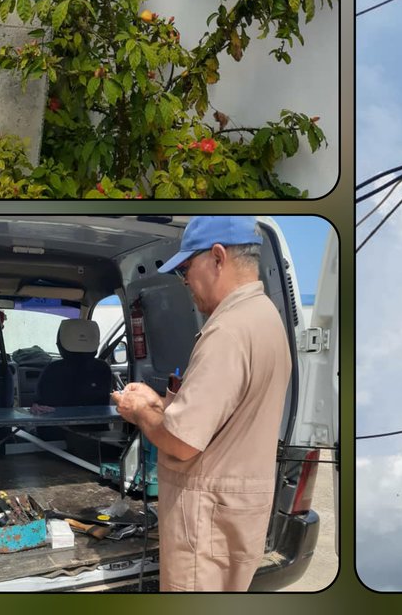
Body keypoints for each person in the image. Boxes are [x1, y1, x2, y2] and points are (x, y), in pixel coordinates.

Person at [111, 216, 290, 591]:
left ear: (219, 257)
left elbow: (182, 441)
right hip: (235, 518)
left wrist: (139, 411)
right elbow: (223, 416)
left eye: (188, 269)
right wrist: (159, 401)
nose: (186, 282)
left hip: (206, 527)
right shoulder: (266, 318)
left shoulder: (228, 330)